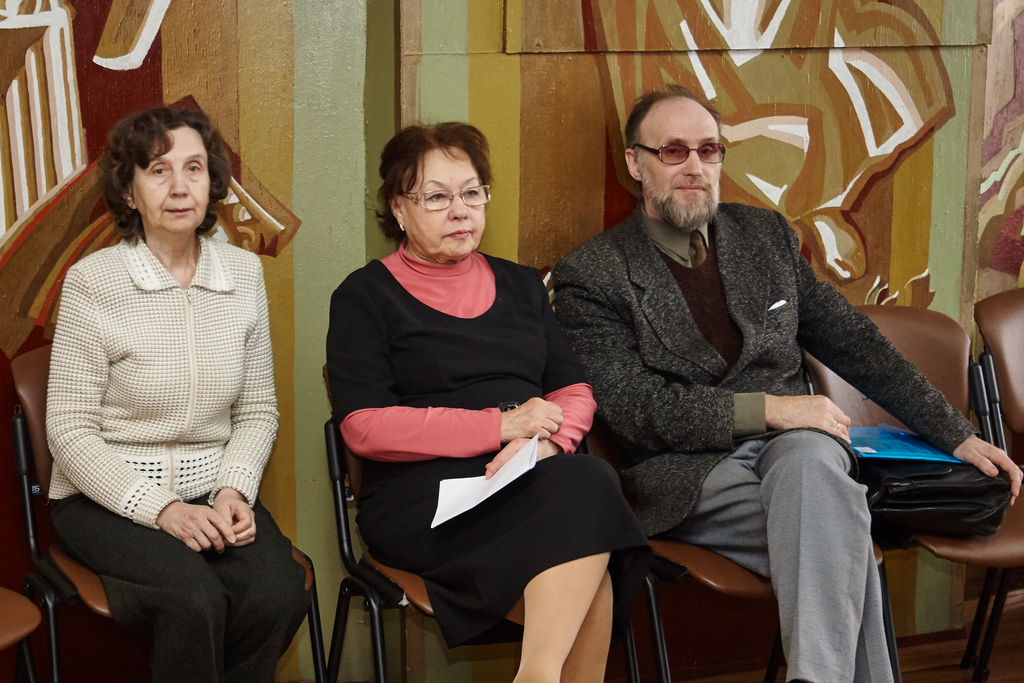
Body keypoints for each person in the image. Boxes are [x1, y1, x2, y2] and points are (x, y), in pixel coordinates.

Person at [553, 86, 1023, 683]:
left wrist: (956, 434)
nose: (695, 166)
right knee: (841, 532)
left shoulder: (764, 237)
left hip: (799, 453)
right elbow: (633, 408)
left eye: (708, 150)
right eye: (673, 151)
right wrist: (770, 409)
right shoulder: (592, 274)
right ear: (635, 163)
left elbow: (857, 344)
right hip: (692, 473)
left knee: (814, 468)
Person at [327, 122, 649, 683]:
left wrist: (547, 445)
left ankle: (536, 675)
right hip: (425, 499)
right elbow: (364, 427)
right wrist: (500, 426)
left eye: (472, 193)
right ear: (398, 209)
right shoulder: (364, 295)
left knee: (583, 504)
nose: (460, 211)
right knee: (591, 512)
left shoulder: (523, 286)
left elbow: (573, 391)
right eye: (437, 197)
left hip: (529, 481)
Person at [46, 107, 310, 683]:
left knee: (278, 591)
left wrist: (233, 489)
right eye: (158, 170)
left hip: (211, 490)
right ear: (129, 191)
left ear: (212, 184)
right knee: (192, 599)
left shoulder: (244, 275)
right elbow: (68, 430)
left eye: (194, 168)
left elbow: (257, 411)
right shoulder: (93, 283)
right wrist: (161, 509)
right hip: (103, 498)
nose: (179, 186)